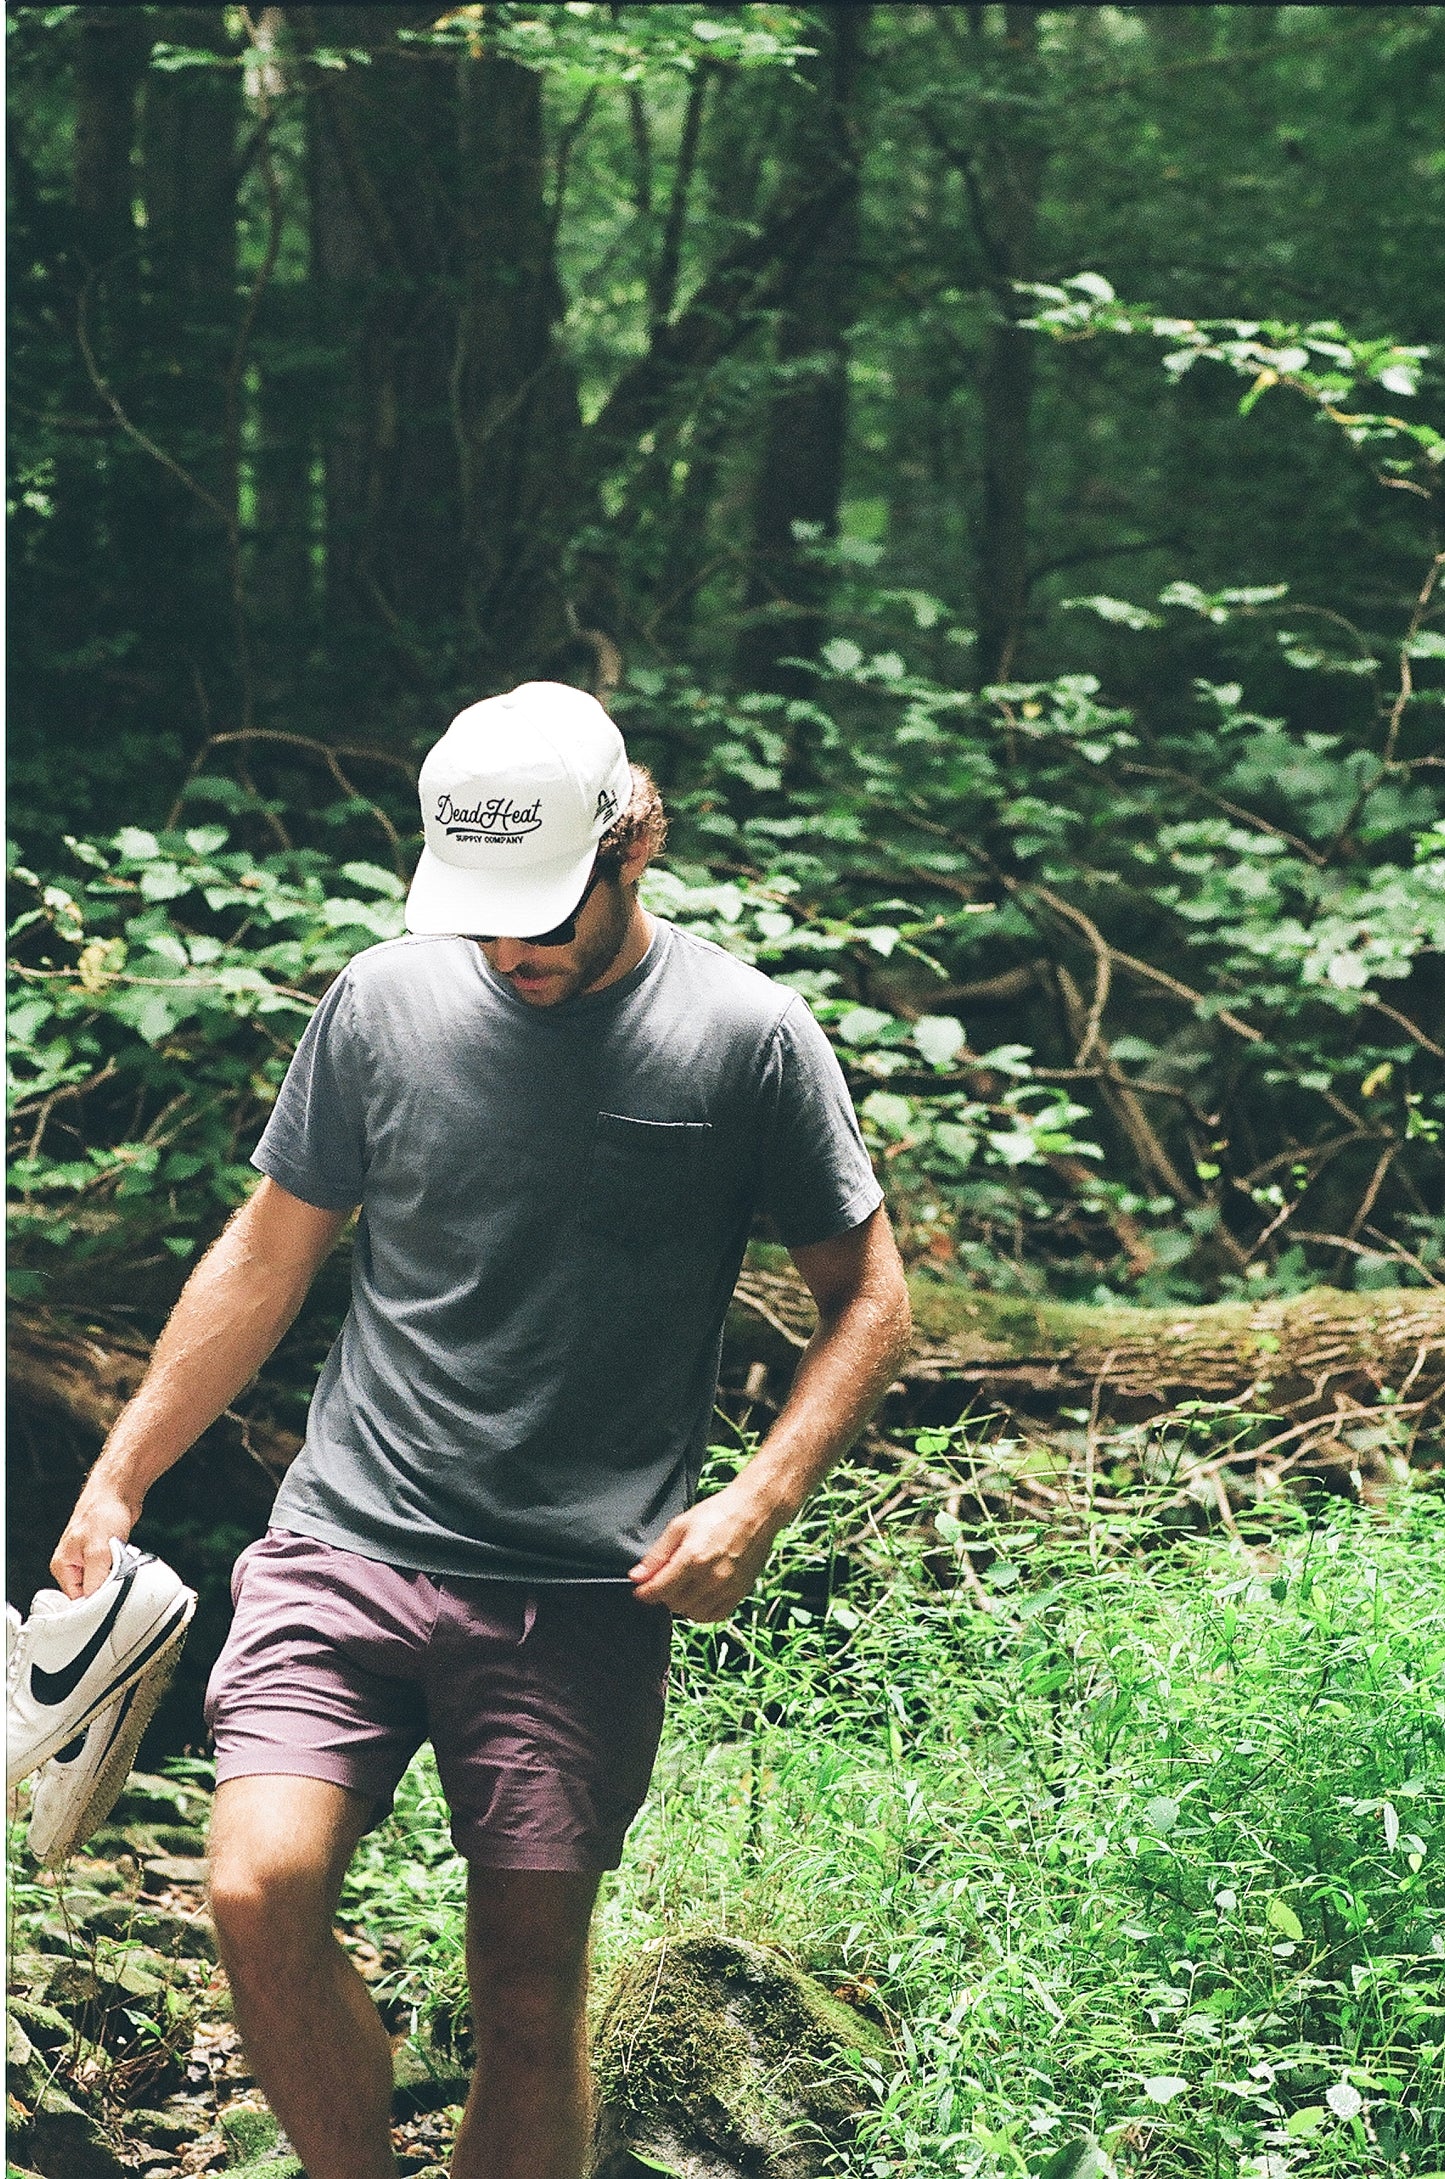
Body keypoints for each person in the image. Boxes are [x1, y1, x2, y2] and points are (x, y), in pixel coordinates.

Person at [50, 681, 912, 2179]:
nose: (512, 951)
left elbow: (872, 1300)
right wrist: (119, 1475)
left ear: (632, 844)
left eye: (543, 914)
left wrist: (757, 1501)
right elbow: (266, 1257)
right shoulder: (381, 1005)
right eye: (483, 916)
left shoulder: (746, 1038)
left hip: (578, 1591)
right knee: (255, 1892)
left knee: (526, 1993)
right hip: (346, 1540)